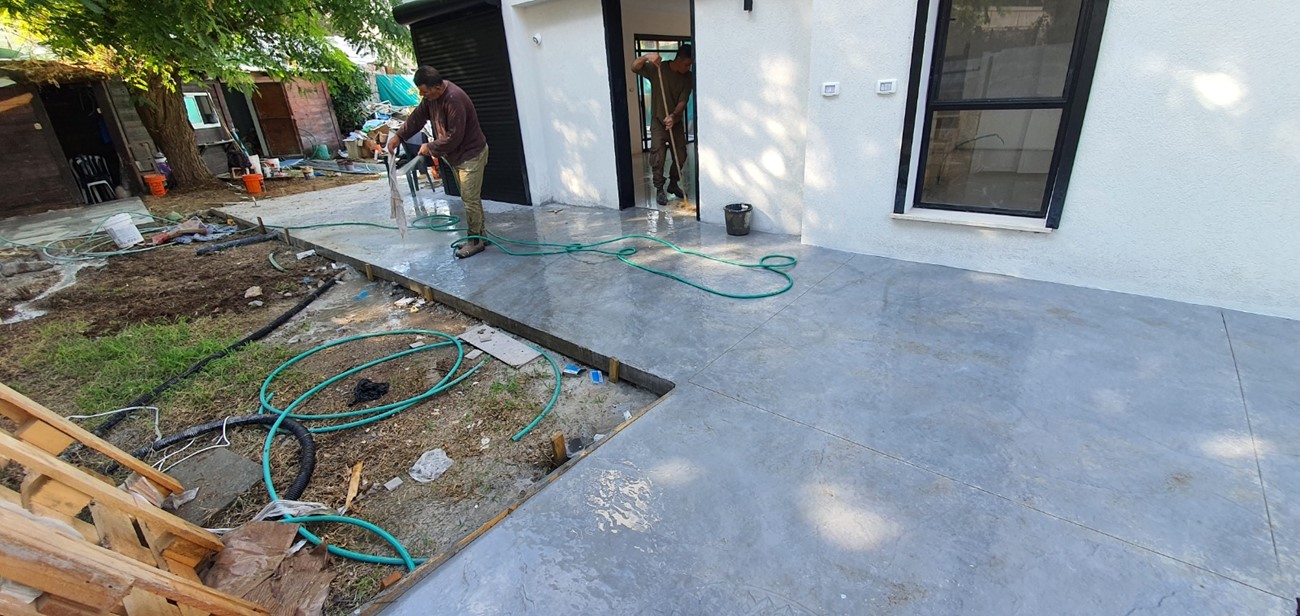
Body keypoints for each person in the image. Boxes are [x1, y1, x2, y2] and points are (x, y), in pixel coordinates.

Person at [387, 66, 490, 258]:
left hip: (471, 155)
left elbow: (454, 137)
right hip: (456, 156)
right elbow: (417, 117)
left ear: (438, 87)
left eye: (424, 91)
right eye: (420, 91)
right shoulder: (431, 98)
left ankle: (475, 241)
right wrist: (399, 136)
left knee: (470, 200)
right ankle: (480, 236)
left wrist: (430, 147)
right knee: (469, 199)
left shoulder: (454, 99)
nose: (422, 95)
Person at [631, 44, 694, 206]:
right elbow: (634, 67)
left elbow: (683, 100)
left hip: (676, 122)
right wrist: (646, 57)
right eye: (686, 64)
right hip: (658, 121)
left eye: (690, 64)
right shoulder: (658, 69)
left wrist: (673, 116)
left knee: (681, 155)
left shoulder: (688, 77)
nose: (688, 67)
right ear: (678, 59)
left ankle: (673, 184)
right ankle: (659, 189)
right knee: (658, 157)